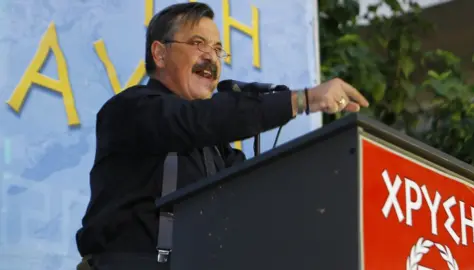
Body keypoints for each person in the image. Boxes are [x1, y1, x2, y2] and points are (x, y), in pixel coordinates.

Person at [75, 2, 369, 269]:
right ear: (160, 53)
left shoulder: (218, 150)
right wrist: (302, 100)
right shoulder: (130, 110)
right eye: (198, 43)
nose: (211, 58)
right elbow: (196, 121)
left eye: (217, 50)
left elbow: (255, 197)